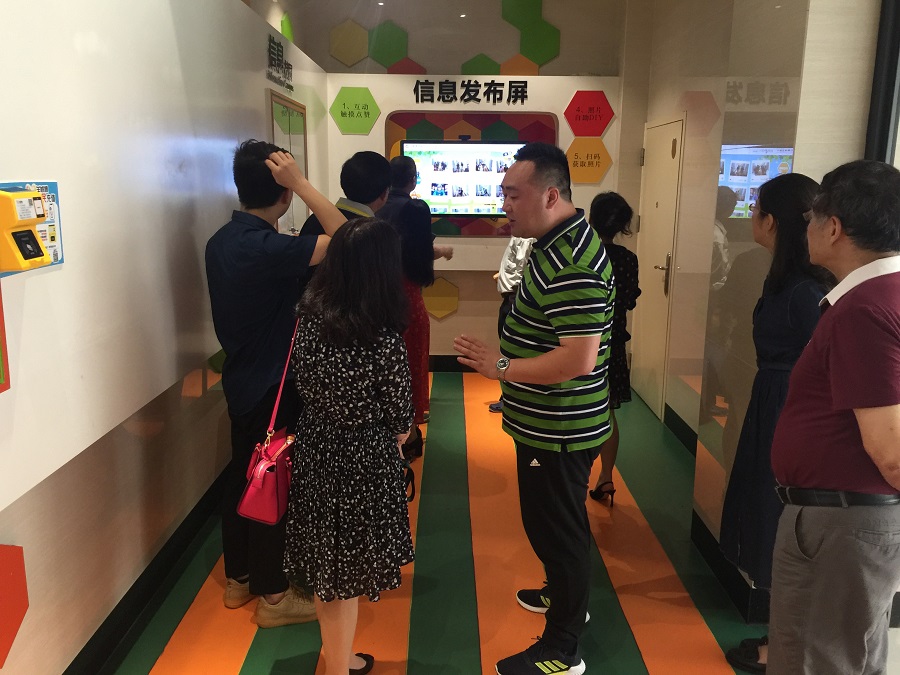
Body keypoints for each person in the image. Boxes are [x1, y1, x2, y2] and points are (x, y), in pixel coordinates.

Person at [453, 142, 614, 675]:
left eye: (513, 195)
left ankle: (563, 649)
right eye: (503, 194)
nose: (505, 206)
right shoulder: (552, 242)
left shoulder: (571, 261)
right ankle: (561, 594)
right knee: (550, 525)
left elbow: (577, 360)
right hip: (545, 422)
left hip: (560, 427)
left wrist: (500, 367)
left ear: (550, 195)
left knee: (558, 531)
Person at [766, 160, 900, 674]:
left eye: (811, 217)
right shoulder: (879, 297)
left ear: (834, 227)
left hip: (844, 524)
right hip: (852, 520)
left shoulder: (864, 309)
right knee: (849, 655)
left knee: (816, 660)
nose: (806, 228)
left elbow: (891, 451)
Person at [205, 141, 346, 627]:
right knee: (273, 480)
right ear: (283, 194)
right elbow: (348, 237)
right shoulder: (268, 248)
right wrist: (301, 183)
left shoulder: (221, 240)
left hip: (242, 377)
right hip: (274, 383)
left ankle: (239, 578)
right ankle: (275, 595)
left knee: (244, 475)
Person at [284, 216, 415, 675]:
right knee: (347, 576)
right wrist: (399, 432)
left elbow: (301, 384)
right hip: (363, 458)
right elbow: (401, 414)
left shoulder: (308, 320)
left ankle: (340, 657)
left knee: (328, 569)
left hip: (316, 447)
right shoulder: (381, 336)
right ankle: (339, 667)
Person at [716, 174, 832, 673]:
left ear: (772, 222)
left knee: (778, 516)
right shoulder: (783, 278)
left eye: (756, 208)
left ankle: (783, 645)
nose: (751, 217)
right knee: (766, 514)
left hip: (790, 409)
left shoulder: (807, 292)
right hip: (773, 402)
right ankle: (779, 635)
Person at [378, 156, 453, 455]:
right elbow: (418, 255)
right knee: (412, 362)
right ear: (413, 180)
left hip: (377, 300)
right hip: (408, 299)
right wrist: (441, 251)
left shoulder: (373, 211)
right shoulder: (415, 209)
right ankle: (409, 434)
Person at [586, 192, 641, 506]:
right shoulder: (628, 259)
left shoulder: (584, 255)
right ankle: (606, 476)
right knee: (607, 414)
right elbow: (629, 300)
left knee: (579, 410)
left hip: (581, 345)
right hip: (614, 346)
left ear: (591, 219)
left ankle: (575, 475)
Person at [489, 235, 535, 413]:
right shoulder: (520, 235)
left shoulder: (528, 237)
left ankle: (511, 397)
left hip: (515, 299)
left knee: (512, 351)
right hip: (511, 298)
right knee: (507, 348)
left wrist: (514, 291)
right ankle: (509, 395)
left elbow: (521, 268)